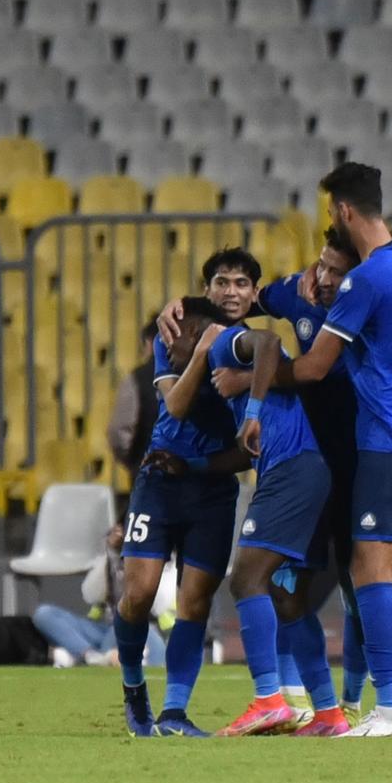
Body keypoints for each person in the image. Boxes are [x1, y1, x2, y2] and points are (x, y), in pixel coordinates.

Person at [223, 161, 392, 738]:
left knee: (367, 568)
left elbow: (313, 368)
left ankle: (391, 709)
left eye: (332, 212)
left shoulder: (364, 282)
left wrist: (250, 379)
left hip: (388, 439)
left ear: (345, 211)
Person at [165, 296, 338, 737]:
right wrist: (192, 466)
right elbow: (247, 452)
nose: (167, 348)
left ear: (196, 331)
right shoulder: (223, 371)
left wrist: (254, 409)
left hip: (292, 472)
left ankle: (268, 701)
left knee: (245, 579)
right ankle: (329, 714)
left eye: (173, 338)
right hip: (302, 470)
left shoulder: (224, 343)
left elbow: (267, 341)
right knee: (286, 597)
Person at [113, 247, 261, 739]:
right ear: (206, 288)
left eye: (241, 283)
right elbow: (174, 406)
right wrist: (201, 350)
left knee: (194, 602)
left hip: (213, 488)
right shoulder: (173, 331)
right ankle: (134, 687)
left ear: (254, 293)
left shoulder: (255, 350)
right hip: (159, 481)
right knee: (138, 594)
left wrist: (196, 463)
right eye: (222, 282)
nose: (231, 291)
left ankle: (174, 712)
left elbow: (250, 450)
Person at [34, 523, 167, 668]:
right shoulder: (112, 559)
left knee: (154, 657)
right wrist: (110, 555)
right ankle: (91, 656)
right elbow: (90, 594)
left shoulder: (160, 555)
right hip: (105, 629)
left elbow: (160, 604)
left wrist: (138, 559)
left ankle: (85, 657)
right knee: (45, 614)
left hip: (143, 628)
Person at [105, 318, 160, 483]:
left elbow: (119, 430)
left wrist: (133, 460)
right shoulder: (199, 375)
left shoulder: (137, 379)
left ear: (149, 342)